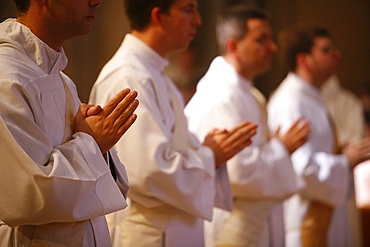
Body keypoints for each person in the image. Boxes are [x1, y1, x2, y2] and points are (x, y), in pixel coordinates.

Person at [89, 0, 257, 246]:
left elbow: (173, 151)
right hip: (149, 235)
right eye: (188, 9)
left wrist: (206, 148)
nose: (198, 20)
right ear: (158, 16)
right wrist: (211, 155)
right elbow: (148, 172)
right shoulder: (128, 77)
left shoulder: (156, 75)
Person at [0, 0, 140, 245]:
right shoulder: (7, 77)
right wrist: (91, 142)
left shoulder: (59, 78)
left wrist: (96, 142)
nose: (97, 2)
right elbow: (31, 193)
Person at [185, 5, 310, 247]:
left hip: (256, 224)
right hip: (231, 226)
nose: (272, 47)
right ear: (233, 47)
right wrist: (281, 149)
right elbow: (237, 173)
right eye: (261, 40)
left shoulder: (245, 93)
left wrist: (277, 148)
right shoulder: (221, 95)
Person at [267, 24, 370, 247]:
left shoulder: (311, 98)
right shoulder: (290, 102)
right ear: (304, 60)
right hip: (305, 220)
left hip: (326, 214)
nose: (337, 54)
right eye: (326, 49)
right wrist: (346, 161)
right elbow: (301, 168)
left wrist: (342, 153)